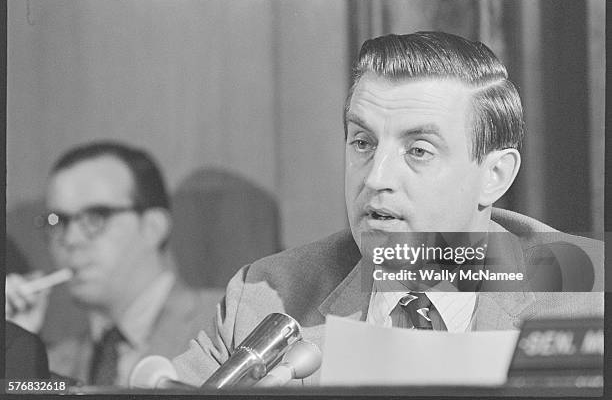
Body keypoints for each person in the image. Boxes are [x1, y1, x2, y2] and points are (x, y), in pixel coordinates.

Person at [172, 31, 603, 386]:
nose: (376, 177)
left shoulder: (588, 302)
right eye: (363, 143)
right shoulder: (262, 298)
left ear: (495, 175)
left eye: (418, 150)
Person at [5, 141, 221, 386]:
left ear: (153, 227)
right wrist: (16, 345)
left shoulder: (226, 325)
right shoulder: (53, 362)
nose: (70, 239)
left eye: (96, 217)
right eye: (58, 221)